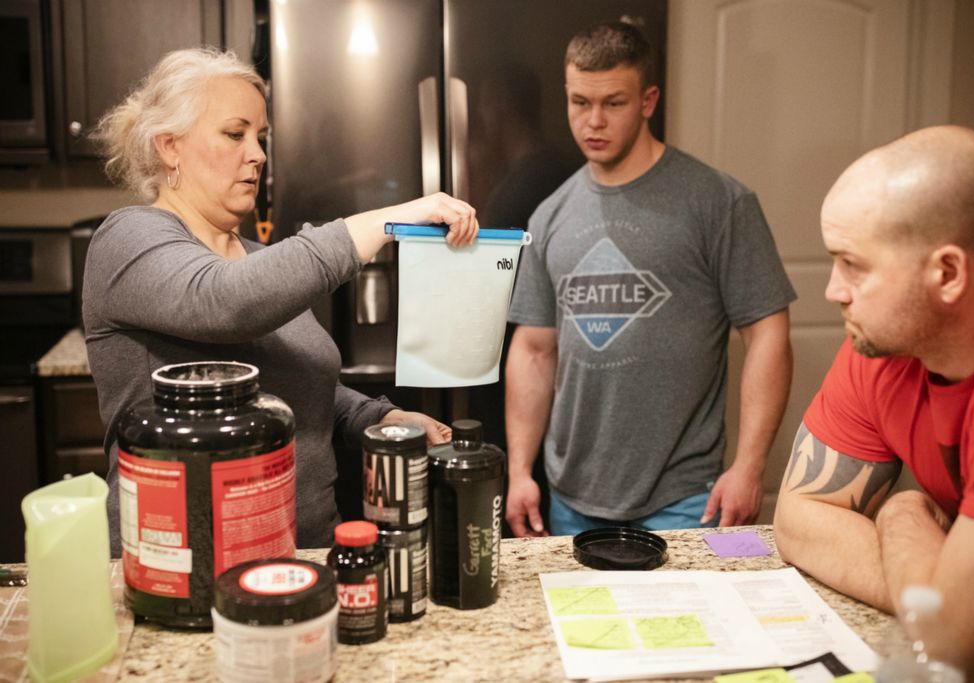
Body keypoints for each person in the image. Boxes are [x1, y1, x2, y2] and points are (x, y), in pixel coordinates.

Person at [83, 48, 479, 554]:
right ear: (170, 148)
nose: (258, 154)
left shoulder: (259, 260)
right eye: (235, 134)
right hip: (183, 564)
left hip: (306, 552)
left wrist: (375, 417)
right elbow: (222, 303)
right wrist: (386, 221)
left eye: (261, 137)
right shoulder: (129, 240)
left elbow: (298, 381)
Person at [504, 21, 795, 538]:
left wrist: (749, 467)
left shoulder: (718, 202)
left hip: (685, 496)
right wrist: (520, 470)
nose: (593, 121)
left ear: (648, 100)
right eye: (579, 102)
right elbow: (532, 349)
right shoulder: (549, 216)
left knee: (687, 622)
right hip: (570, 496)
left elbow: (768, 333)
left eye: (613, 102)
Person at [774, 125, 974, 683]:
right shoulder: (883, 345)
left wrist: (901, 512)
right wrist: (940, 587)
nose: (833, 290)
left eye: (852, 265)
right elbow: (798, 520)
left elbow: (956, 652)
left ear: (948, 273)